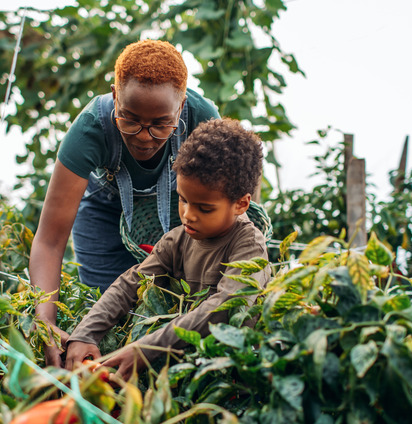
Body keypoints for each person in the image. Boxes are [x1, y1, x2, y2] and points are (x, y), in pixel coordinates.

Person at [30, 40, 220, 368]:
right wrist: (44, 321)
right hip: (104, 211)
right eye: (129, 120)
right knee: (106, 314)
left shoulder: (204, 120)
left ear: (182, 107)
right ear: (115, 96)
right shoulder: (91, 127)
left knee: (183, 302)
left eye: (161, 124)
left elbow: (231, 211)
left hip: (179, 208)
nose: (144, 136)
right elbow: (48, 240)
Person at [63, 118, 272, 380]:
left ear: (241, 204)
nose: (188, 215)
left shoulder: (248, 245)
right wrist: (86, 333)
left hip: (233, 370)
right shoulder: (178, 239)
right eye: (183, 200)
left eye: (204, 208)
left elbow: (226, 307)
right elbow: (132, 282)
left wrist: (148, 347)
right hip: (183, 363)